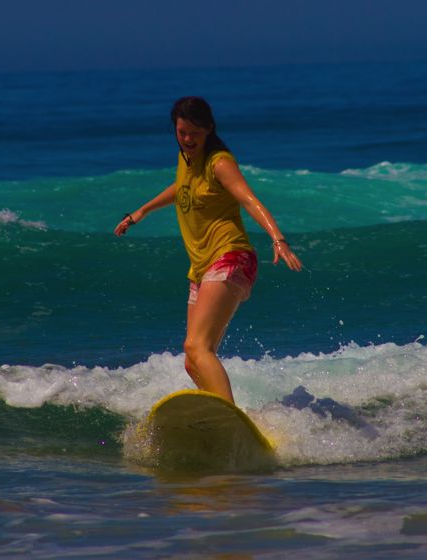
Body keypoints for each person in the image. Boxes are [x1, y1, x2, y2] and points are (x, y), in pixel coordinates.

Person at [114, 97, 302, 404]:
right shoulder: (187, 159)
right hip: (201, 268)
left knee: (196, 347)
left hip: (231, 256)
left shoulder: (219, 162)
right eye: (182, 132)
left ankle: (227, 415)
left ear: (209, 129)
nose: (187, 139)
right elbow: (181, 187)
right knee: (193, 360)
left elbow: (249, 199)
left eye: (194, 133)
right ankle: (217, 413)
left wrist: (278, 238)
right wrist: (141, 212)